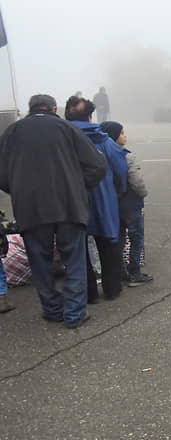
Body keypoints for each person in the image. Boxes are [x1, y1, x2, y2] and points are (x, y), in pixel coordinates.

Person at [0, 94, 106, 327]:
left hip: (31, 209)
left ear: (30, 109)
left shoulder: (12, 132)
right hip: (69, 205)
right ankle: (75, 313)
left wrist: (18, 190)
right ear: (53, 108)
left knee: (39, 263)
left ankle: (52, 309)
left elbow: (2, 174)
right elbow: (97, 165)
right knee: (74, 260)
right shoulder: (66, 129)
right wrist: (78, 186)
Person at [65, 96, 128, 301]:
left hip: (72, 200)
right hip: (104, 198)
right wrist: (117, 192)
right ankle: (112, 289)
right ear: (91, 116)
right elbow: (121, 170)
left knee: (79, 249)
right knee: (107, 245)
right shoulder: (104, 140)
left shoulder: (62, 139)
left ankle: (89, 294)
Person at [100, 121, 153, 286]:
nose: (125, 136)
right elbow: (136, 181)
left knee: (119, 239)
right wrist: (143, 193)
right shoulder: (126, 156)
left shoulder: (102, 155)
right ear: (114, 136)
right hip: (131, 204)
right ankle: (135, 273)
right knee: (136, 238)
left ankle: (120, 271)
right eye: (122, 133)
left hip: (113, 205)